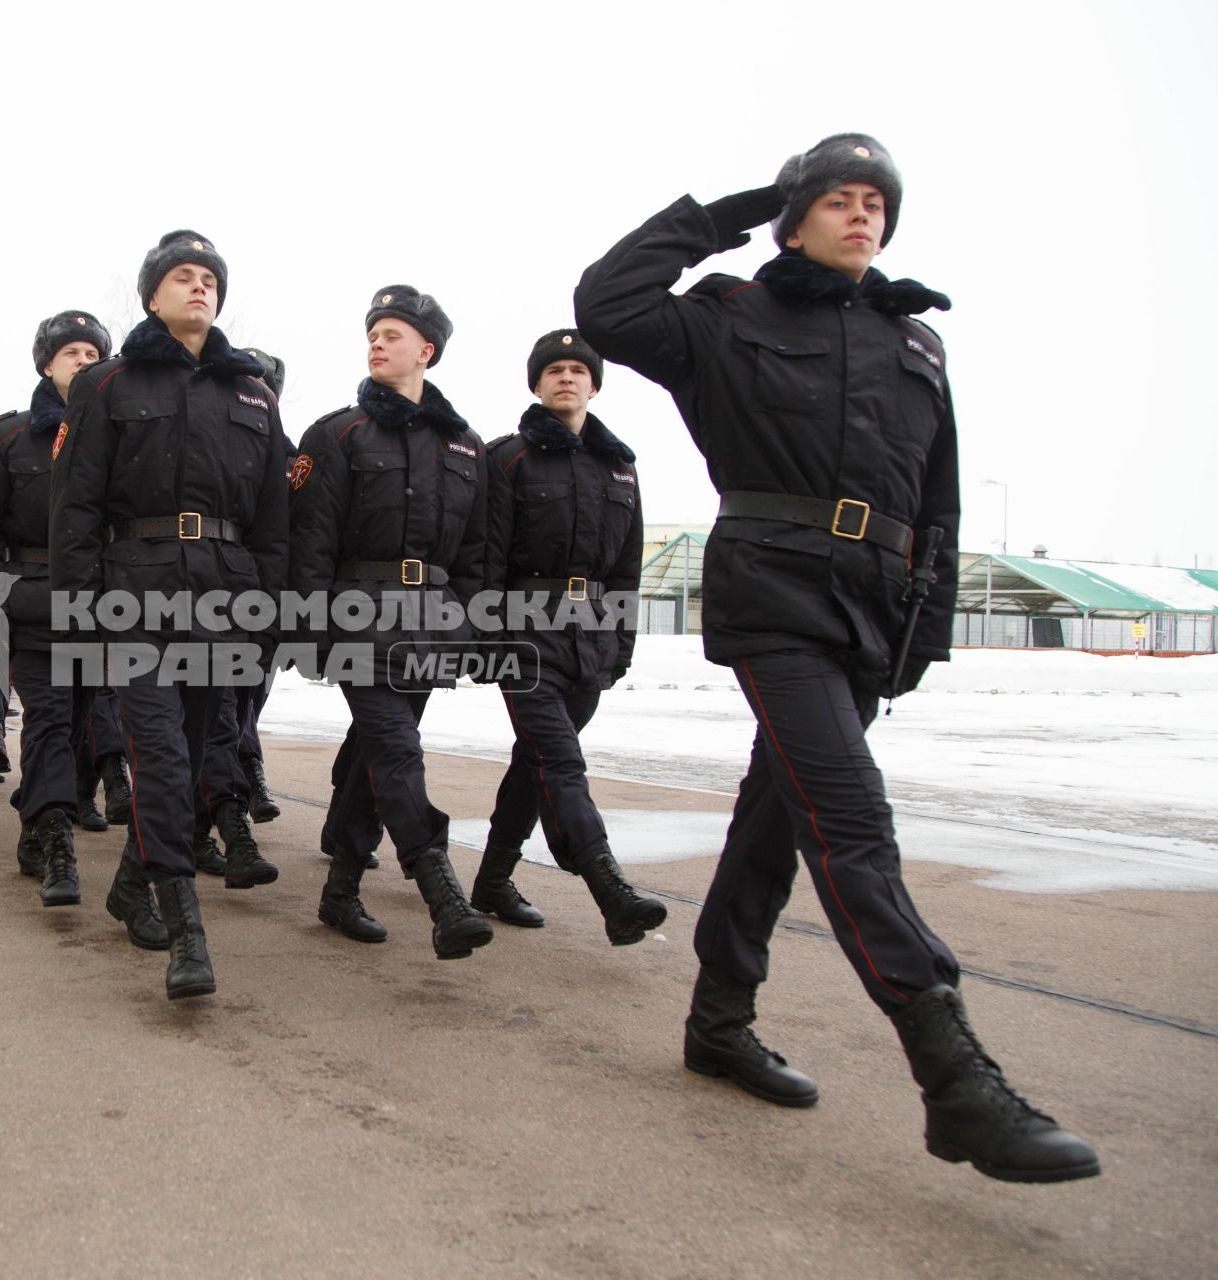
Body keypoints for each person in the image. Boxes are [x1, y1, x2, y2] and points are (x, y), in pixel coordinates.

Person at [575, 132, 1097, 1182]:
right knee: (851, 816)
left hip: (873, 605)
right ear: (797, 215)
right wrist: (743, 202)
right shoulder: (731, 316)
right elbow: (607, 300)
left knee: (778, 816)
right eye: (838, 198)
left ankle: (719, 1019)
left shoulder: (918, 344)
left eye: (877, 202)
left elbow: (937, 498)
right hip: (774, 588)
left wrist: (924, 631)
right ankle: (953, 1077)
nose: (863, 215)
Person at [51, 230, 290, 999]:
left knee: (189, 759)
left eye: (209, 279)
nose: (199, 288)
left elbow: (274, 517)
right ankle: (185, 925)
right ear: (152, 295)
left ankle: (128, 887)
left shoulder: (252, 393)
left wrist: (269, 611)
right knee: (156, 752)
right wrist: (80, 603)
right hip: (134, 590)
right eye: (182, 278)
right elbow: (77, 503)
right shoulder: (110, 384)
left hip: (223, 594)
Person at [289, 286, 492, 961]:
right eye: (373, 332)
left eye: (393, 333)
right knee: (398, 750)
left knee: (375, 759)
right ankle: (439, 889)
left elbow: (473, 554)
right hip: (358, 617)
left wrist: (465, 628)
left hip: (430, 624)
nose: (377, 342)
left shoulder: (465, 447)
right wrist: (311, 629)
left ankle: (341, 888)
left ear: (426, 350)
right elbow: (312, 541)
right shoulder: (338, 433)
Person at [477, 330, 667, 943]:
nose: (566, 377)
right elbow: (488, 559)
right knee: (561, 759)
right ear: (536, 384)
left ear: (593, 384)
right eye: (553, 369)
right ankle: (606, 883)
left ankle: (492, 880)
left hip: (592, 638)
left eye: (577, 370)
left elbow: (626, 568)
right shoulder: (508, 458)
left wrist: (623, 646)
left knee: (536, 764)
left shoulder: (622, 467)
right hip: (525, 636)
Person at [0, 310, 126, 899]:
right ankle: (57, 841)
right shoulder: (7, 439)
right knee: (50, 721)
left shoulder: (124, 432)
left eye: (92, 353)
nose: (83, 362)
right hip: (32, 603)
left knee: (80, 722)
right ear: (46, 364)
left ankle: (36, 816)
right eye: (71, 352)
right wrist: (7, 594)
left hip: (101, 607)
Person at [234, 346, 288, 822]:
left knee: (248, 698)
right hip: (215, 591)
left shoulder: (292, 462)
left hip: (268, 601)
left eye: (265, 385)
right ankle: (248, 777)